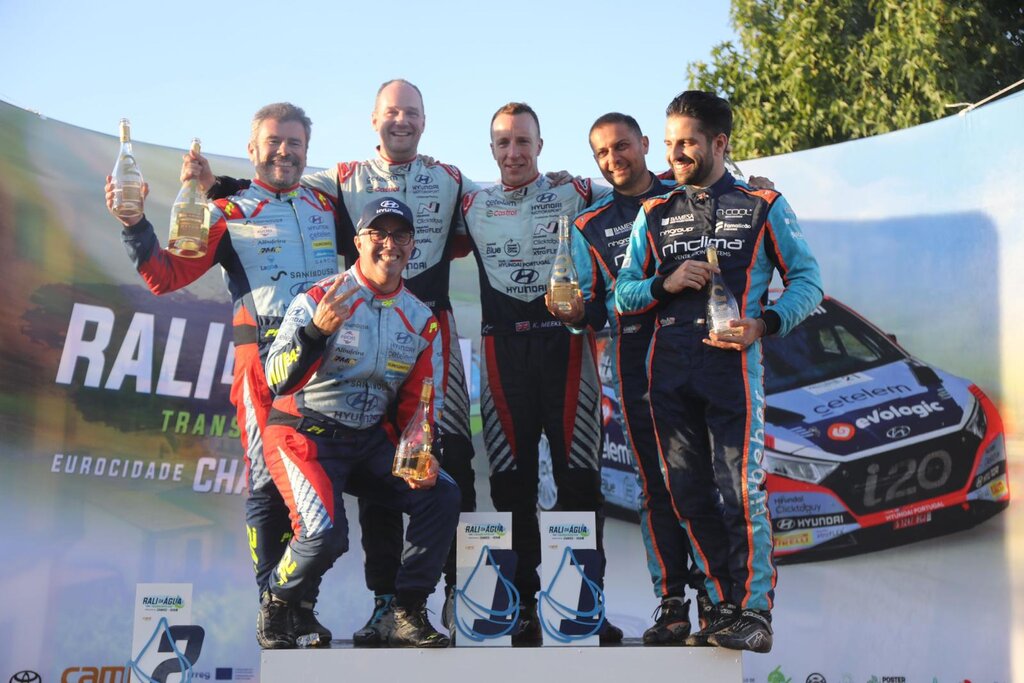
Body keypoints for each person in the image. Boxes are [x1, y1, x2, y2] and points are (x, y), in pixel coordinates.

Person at [105, 102, 340, 648]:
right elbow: (165, 275)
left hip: (326, 363)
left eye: (295, 143)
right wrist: (134, 224)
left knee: (317, 488)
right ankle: (273, 608)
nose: (284, 152)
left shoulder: (328, 205)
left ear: (308, 150)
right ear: (253, 148)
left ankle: (301, 606)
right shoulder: (228, 212)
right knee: (268, 485)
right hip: (263, 366)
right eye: (273, 142)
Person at [616, 91, 823, 653]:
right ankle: (720, 603)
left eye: (687, 143)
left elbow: (808, 281)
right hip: (667, 371)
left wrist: (764, 324)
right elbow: (623, 294)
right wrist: (664, 283)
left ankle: (754, 611)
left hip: (733, 369)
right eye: (670, 143)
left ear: (719, 143)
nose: (675, 154)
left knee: (740, 491)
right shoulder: (654, 211)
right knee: (685, 493)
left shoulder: (763, 203)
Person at [258, 196, 460, 648]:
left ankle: (405, 610)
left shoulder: (420, 319)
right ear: (358, 242)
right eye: (378, 233)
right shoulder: (319, 297)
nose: (390, 244)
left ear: (412, 246)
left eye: (400, 235)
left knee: (441, 493)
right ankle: (277, 599)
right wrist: (316, 332)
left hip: (367, 441)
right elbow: (276, 378)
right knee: (325, 535)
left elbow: (420, 404)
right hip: (303, 434)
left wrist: (424, 453)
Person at [547, 112, 709, 645]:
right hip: (637, 365)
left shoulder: (689, 194)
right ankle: (672, 602)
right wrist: (575, 316)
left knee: (706, 481)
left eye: (622, 146)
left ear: (644, 144)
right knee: (657, 486)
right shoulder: (589, 225)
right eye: (602, 153)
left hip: (703, 356)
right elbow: (594, 310)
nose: (613, 159)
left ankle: (718, 597)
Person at [461, 102, 620, 645]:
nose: (513, 153)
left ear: (540, 146)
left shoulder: (575, 191)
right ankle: (523, 607)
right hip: (503, 351)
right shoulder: (471, 202)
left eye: (523, 142)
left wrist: (742, 184)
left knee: (580, 482)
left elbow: (641, 190)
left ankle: (584, 605)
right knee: (511, 485)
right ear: (491, 150)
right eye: (503, 143)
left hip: (566, 346)